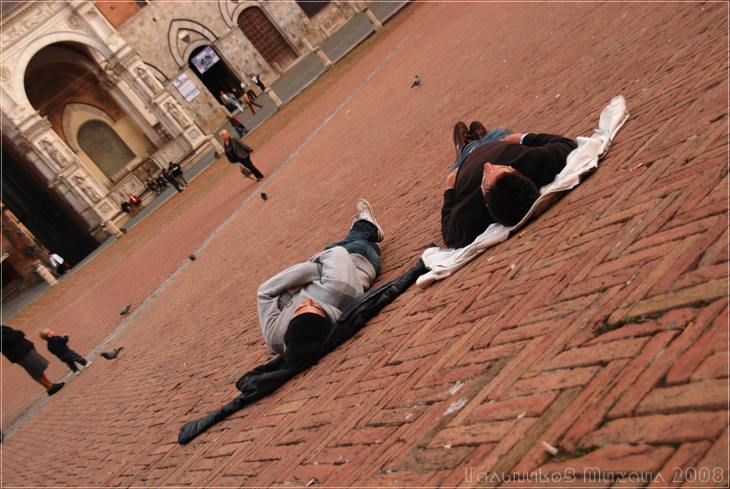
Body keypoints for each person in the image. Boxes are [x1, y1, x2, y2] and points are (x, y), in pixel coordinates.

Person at [257, 199, 385, 372]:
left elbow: (264, 292)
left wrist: (312, 277)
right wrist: (307, 276)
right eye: (314, 306)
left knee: (332, 253)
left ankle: (361, 230)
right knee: (335, 247)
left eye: (297, 309)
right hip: (361, 258)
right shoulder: (339, 289)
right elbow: (335, 254)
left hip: (335, 269)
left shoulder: (275, 339)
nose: (306, 301)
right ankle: (366, 227)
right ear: (325, 318)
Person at [442, 122, 577, 249]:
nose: (488, 165)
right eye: (501, 168)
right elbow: (567, 144)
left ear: (487, 204)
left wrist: (450, 189)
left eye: (485, 181)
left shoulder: (470, 212)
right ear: (515, 171)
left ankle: (465, 147)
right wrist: (525, 138)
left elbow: (449, 234)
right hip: (499, 140)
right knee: (497, 133)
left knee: (468, 149)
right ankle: (482, 138)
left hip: (467, 161)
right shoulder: (536, 162)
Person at [1, 325, 64, 395]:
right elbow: (8, 340)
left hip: (23, 349)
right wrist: (19, 333)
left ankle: (50, 384)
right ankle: (49, 387)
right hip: (19, 353)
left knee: (37, 368)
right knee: (33, 370)